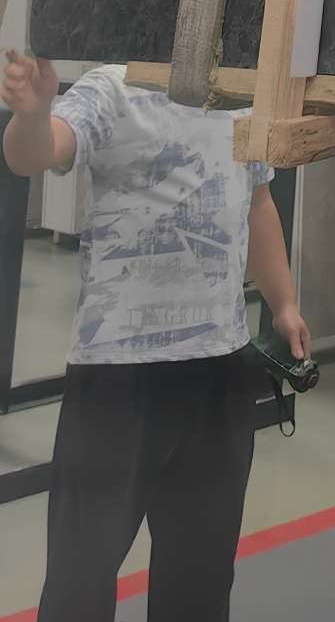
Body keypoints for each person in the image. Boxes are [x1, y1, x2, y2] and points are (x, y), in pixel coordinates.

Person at [1, 50, 310, 622]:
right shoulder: (113, 89)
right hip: (118, 377)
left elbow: (258, 200)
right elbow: (34, 155)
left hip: (219, 368)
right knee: (80, 573)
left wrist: (283, 303)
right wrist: (33, 112)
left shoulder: (240, 98)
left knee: (201, 575)